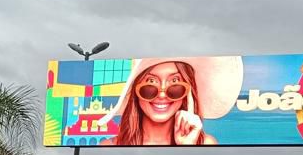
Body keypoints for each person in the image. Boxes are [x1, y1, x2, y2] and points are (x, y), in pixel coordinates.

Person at [103, 56, 242, 146]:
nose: (162, 94)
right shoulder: (110, 146)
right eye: (151, 82)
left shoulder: (205, 143)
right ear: (136, 91)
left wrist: (187, 148)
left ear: (188, 92)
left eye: (175, 82)